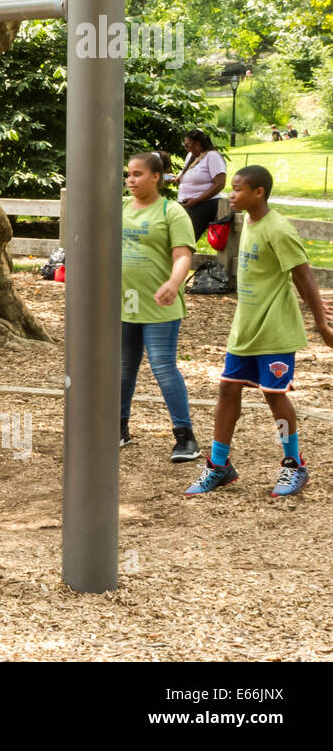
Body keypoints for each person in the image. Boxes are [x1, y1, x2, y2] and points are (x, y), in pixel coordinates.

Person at [185, 165, 333, 498]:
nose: (230, 194)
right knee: (227, 390)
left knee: (273, 395)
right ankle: (219, 465)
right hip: (246, 329)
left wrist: (321, 323)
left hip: (275, 329)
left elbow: (303, 276)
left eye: (237, 189)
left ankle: (294, 465)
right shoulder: (247, 222)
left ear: (258, 193)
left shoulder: (278, 229)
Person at [120, 151, 201, 460]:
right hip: (125, 302)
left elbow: (183, 256)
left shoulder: (172, 212)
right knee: (124, 368)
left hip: (160, 305)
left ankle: (185, 437)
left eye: (138, 174)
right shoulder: (121, 208)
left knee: (163, 366)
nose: (131, 179)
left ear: (157, 177)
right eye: (129, 174)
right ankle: (119, 428)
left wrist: (173, 283)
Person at [169, 128, 227, 241]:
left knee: (185, 240)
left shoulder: (212, 156)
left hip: (204, 204)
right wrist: (173, 178)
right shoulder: (191, 157)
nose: (186, 149)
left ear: (197, 143)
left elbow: (220, 184)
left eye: (188, 145)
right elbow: (189, 178)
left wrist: (197, 200)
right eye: (184, 145)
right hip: (188, 204)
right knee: (175, 237)